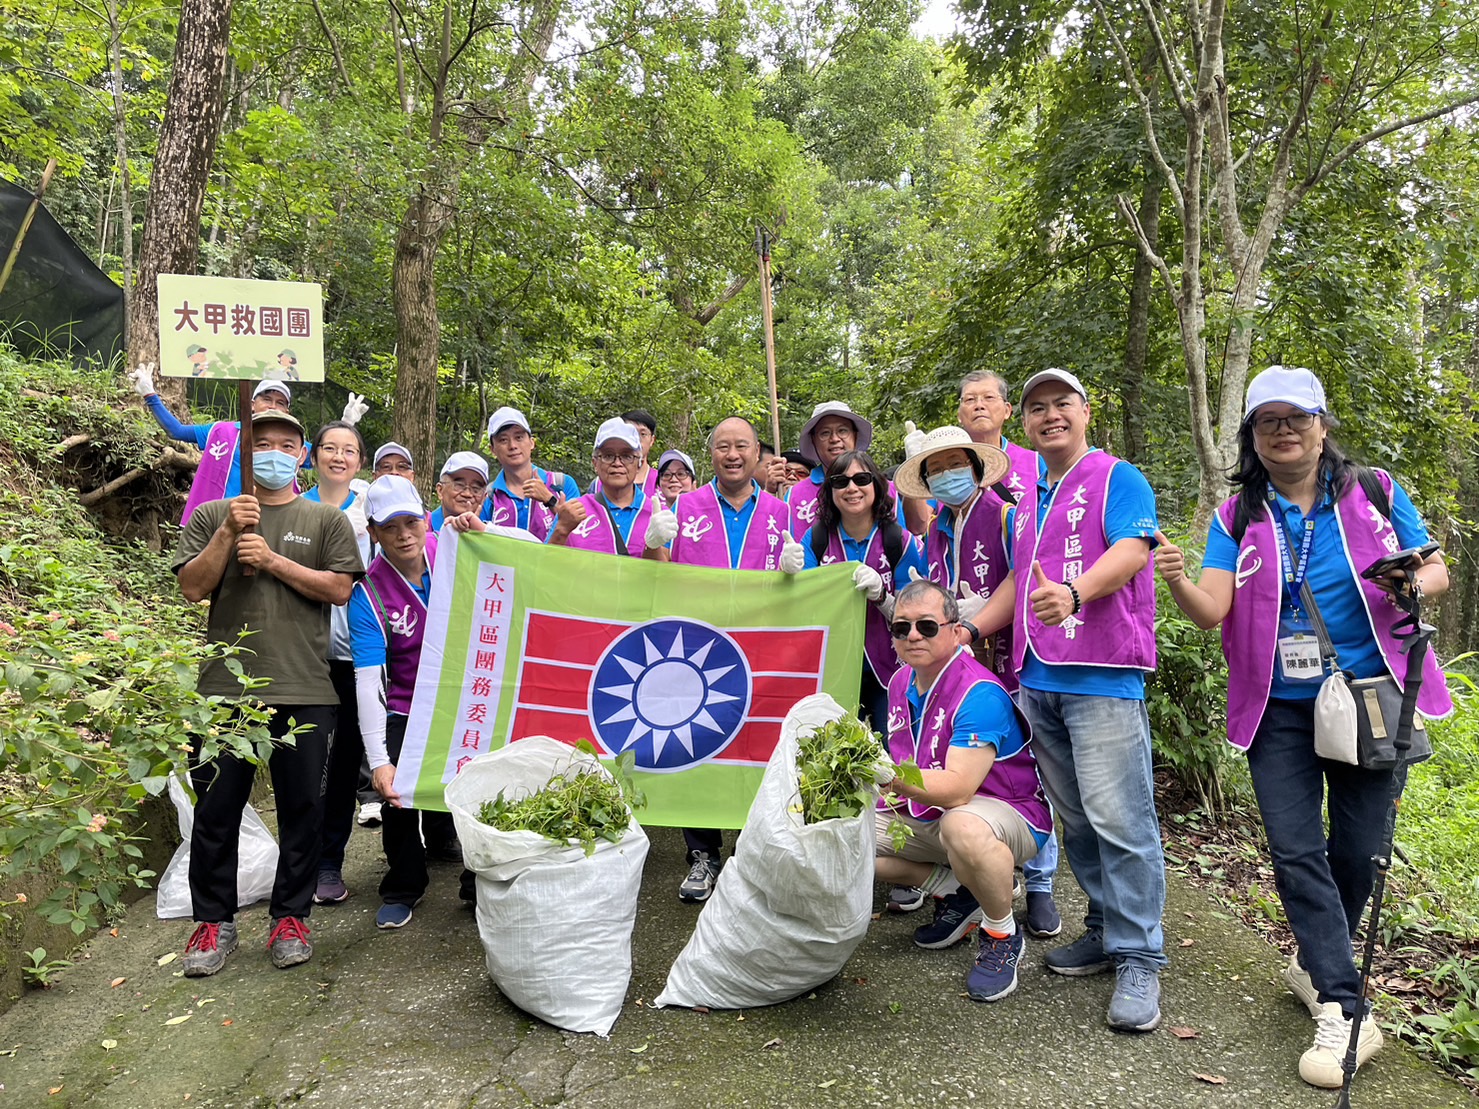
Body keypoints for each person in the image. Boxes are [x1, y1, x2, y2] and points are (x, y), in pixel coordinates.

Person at [1152, 364, 1452, 1087]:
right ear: (1252, 437)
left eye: (1296, 418)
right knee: (1293, 850)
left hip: (1369, 694)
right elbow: (1212, 610)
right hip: (1276, 707)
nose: (1283, 430)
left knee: (1359, 849)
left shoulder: (1374, 490)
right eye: (1267, 421)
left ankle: (1315, 961)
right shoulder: (1237, 515)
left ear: (1321, 427)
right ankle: (1345, 1006)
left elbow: (1435, 570)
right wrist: (1176, 577)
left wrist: (1410, 583)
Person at [971, 367, 1166, 1033]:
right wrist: (969, 630)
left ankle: (1140, 955)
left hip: (1101, 674)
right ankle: (1107, 930)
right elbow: (1017, 583)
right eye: (1037, 408)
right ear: (1023, 422)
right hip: (1039, 678)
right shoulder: (1028, 496)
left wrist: (1077, 592)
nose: (1049, 415)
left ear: (1085, 411)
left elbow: (1133, 549)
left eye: (1061, 404)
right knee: (1077, 821)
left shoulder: (1117, 476)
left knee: (1122, 820)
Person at [171, 410, 363, 976]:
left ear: (301, 455)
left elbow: (339, 589)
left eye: (286, 444)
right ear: (246, 453)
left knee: (303, 809)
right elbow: (191, 587)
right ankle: (213, 921)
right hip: (224, 692)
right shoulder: (212, 514)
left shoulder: (326, 519)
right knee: (216, 810)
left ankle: (291, 916)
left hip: (306, 687)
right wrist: (229, 533)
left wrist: (273, 559)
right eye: (263, 443)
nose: (274, 452)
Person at [895, 422, 1064, 939]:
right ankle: (975, 880)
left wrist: (974, 623)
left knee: (1026, 770)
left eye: (955, 464)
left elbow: (1020, 576)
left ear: (976, 467)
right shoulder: (939, 527)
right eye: (936, 469)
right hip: (956, 662)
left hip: (1001, 660)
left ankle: (1039, 882)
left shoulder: (1007, 513)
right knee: (966, 772)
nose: (948, 475)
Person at [350, 476, 525, 928]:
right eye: (390, 527)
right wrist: (379, 762)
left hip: (469, 699)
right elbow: (369, 682)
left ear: (426, 519)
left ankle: (478, 880)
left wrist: (487, 530)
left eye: (411, 522)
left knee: (484, 791)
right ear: (374, 533)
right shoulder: (368, 593)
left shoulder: (456, 551)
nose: (404, 535)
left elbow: (531, 551)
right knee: (398, 798)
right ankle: (403, 885)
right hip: (406, 708)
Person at [646, 416, 799, 902]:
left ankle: (752, 851)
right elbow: (654, 578)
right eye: (723, 447)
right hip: (696, 649)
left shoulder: (781, 512)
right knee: (696, 745)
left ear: (757, 453)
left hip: (762, 652)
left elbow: (805, 585)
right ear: (710, 453)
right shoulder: (683, 506)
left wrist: (797, 571)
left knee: (759, 747)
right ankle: (702, 854)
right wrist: (653, 543)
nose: (733, 455)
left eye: (742, 446)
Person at [875, 580, 1052, 1002]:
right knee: (839, 837)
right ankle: (955, 891)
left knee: (963, 827)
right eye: (901, 627)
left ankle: (1001, 933)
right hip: (930, 811)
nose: (913, 636)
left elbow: (957, 789)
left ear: (956, 631)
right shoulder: (899, 682)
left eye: (927, 626)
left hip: (1007, 813)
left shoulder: (979, 692)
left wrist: (885, 775)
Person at [128, 364, 369, 525]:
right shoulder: (221, 431)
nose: (273, 406)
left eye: (280, 402)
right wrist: (150, 395)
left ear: (287, 410)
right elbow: (177, 431)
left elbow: (326, 455)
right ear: (253, 403)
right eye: (267, 399)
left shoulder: (292, 444)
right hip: (218, 519)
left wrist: (345, 423)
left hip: (272, 524)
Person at [799, 450, 930, 731]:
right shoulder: (816, 539)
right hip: (833, 670)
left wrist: (882, 597)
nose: (852, 488)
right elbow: (802, 606)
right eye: (841, 482)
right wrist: (789, 574)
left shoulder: (899, 541)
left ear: (877, 485)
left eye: (861, 479)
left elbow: (913, 616)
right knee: (837, 751)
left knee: (893, 748)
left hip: (890, 668)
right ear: (830, 490)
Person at [304, 421, 374, 906]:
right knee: (303, 763)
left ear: (359, 462)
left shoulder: (370, 513)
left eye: (349, 450)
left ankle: (329, 861)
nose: (338, 457)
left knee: (346, 761)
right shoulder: (292, 507)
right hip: (302, 656)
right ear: (312, 457)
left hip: (354, 656)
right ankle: (300, 859)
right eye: (329, 448)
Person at [786, 401, 923, 535]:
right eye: (825, 433)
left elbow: (917, 527)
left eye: (842, 431)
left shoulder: (885, 488)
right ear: (813, 440)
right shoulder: (795, 495)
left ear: (855, 435)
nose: (834, 439)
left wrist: (915, 466)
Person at [549, 419, 665, 556]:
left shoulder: (657, 515)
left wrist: (653, 545)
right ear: (595, 463)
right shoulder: (574, 511)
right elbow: (545, 564)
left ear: (639, 463)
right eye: (608, 456)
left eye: (626, 456)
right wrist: (562, 530)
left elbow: (666, 568)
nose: (617, 463)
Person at [484, 406, 579, 539]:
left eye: (519, 437)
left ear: (532, 443)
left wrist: (550, 500)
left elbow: (581, 538)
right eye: (503, 440)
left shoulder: (562, 484)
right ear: (492, 450)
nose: (512, 446)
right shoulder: (489, 497)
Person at [428, 452, 491, 532]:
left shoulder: (489, 532)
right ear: (440, 490)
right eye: (459, 485)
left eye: (475, 489)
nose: (467, 494)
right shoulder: (423, 528)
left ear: (484, 497)